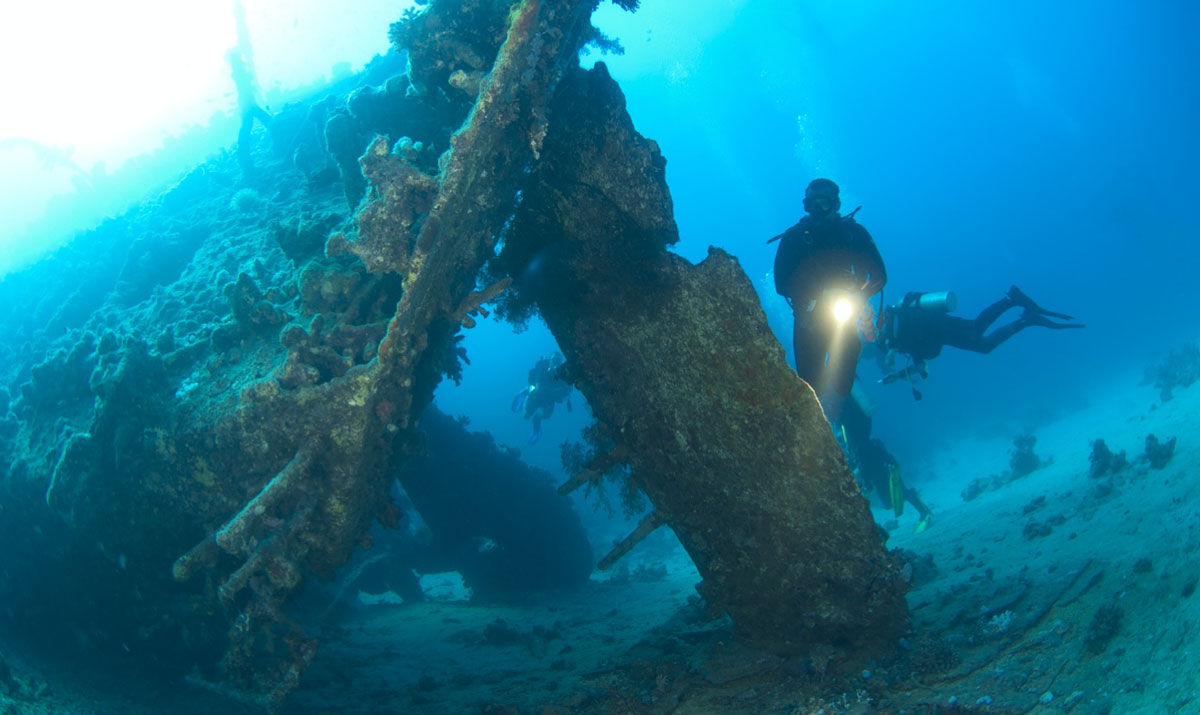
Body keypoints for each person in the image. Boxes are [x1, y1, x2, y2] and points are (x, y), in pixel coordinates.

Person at [770, 179, 887, 420]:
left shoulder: (854, 234)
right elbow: (780, 284)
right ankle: (813, 427)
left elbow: (880, 276)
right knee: (811, 387)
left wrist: (858, 295)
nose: (817, 209)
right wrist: (810, 298)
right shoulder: (794, 238)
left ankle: (844, 409)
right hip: (808, 321)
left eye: (823, 202)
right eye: (811, 204)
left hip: (844, 320)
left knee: (843, 384)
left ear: (836, 204)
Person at [875, 286, 1084, 398]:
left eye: (889, 360)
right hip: (941, 334)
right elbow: (920, 362)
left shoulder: (896, 334)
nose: (891, 361)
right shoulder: (900, 341)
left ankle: (1012, 299)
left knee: (976, 329)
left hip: (938, 325)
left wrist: (896, 360)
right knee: (984, 346)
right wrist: (898, 376)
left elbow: (920, 349)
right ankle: (1026, 320)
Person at [512, 354, 573, 444]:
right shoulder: (543, 368)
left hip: (549, 400)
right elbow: (533, 377)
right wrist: (536, 386)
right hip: (535, 395)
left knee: (546, 415)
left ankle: (537, 421)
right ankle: (525, 392)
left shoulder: (562, 375)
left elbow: (568, 389)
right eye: (554, 360)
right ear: (550, 360)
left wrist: (563, 394)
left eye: (558, 361)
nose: (555, 362)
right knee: (526, 416)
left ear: (561, 363)